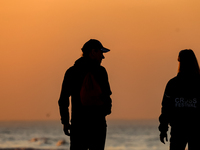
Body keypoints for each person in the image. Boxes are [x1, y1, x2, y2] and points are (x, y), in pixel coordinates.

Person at [58, 39, 112, 150]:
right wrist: (104, 111)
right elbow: (107, 98)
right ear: (92, 52)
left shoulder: (72, 72)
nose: (103, 57)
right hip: (97, 125)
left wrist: (65, 122)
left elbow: (63, 99)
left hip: (78, 125)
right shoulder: (101, 72)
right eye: (101, 53)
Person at [159, 49, 200, 150]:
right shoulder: (173, 84)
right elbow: (165, 109)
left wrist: (163, 130)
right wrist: (163, 129)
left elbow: (166, 109)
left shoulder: (173, 84)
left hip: (180, 130)